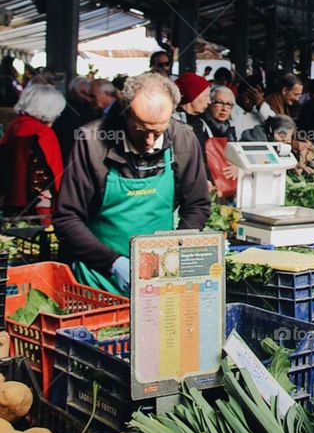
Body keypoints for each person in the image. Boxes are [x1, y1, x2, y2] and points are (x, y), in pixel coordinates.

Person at [53, 72, 210, 295]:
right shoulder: (92, 142)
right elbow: (67, 218)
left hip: (159, 277)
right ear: (125, 113)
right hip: (97, 280)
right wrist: (113, 263)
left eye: (158, 130)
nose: (149, 141)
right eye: (141, 129)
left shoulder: (183, 138)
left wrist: (173, 252)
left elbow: (198, 206)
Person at [0, 82, 65, 219]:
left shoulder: (15, 127)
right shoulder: (43, 133)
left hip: (11, 203)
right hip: (37, 208)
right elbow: (50, 174)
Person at [52, 77, 102, 163]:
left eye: (89, 94)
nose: (88, 97)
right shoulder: (68, 108)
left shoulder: (93, 109)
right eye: (83, 93)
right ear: (74, 92)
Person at [174, 73, 212, 149]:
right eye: (206, 96)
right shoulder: (173, 123)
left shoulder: (203, 124)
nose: (209, 101)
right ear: (192, 95)